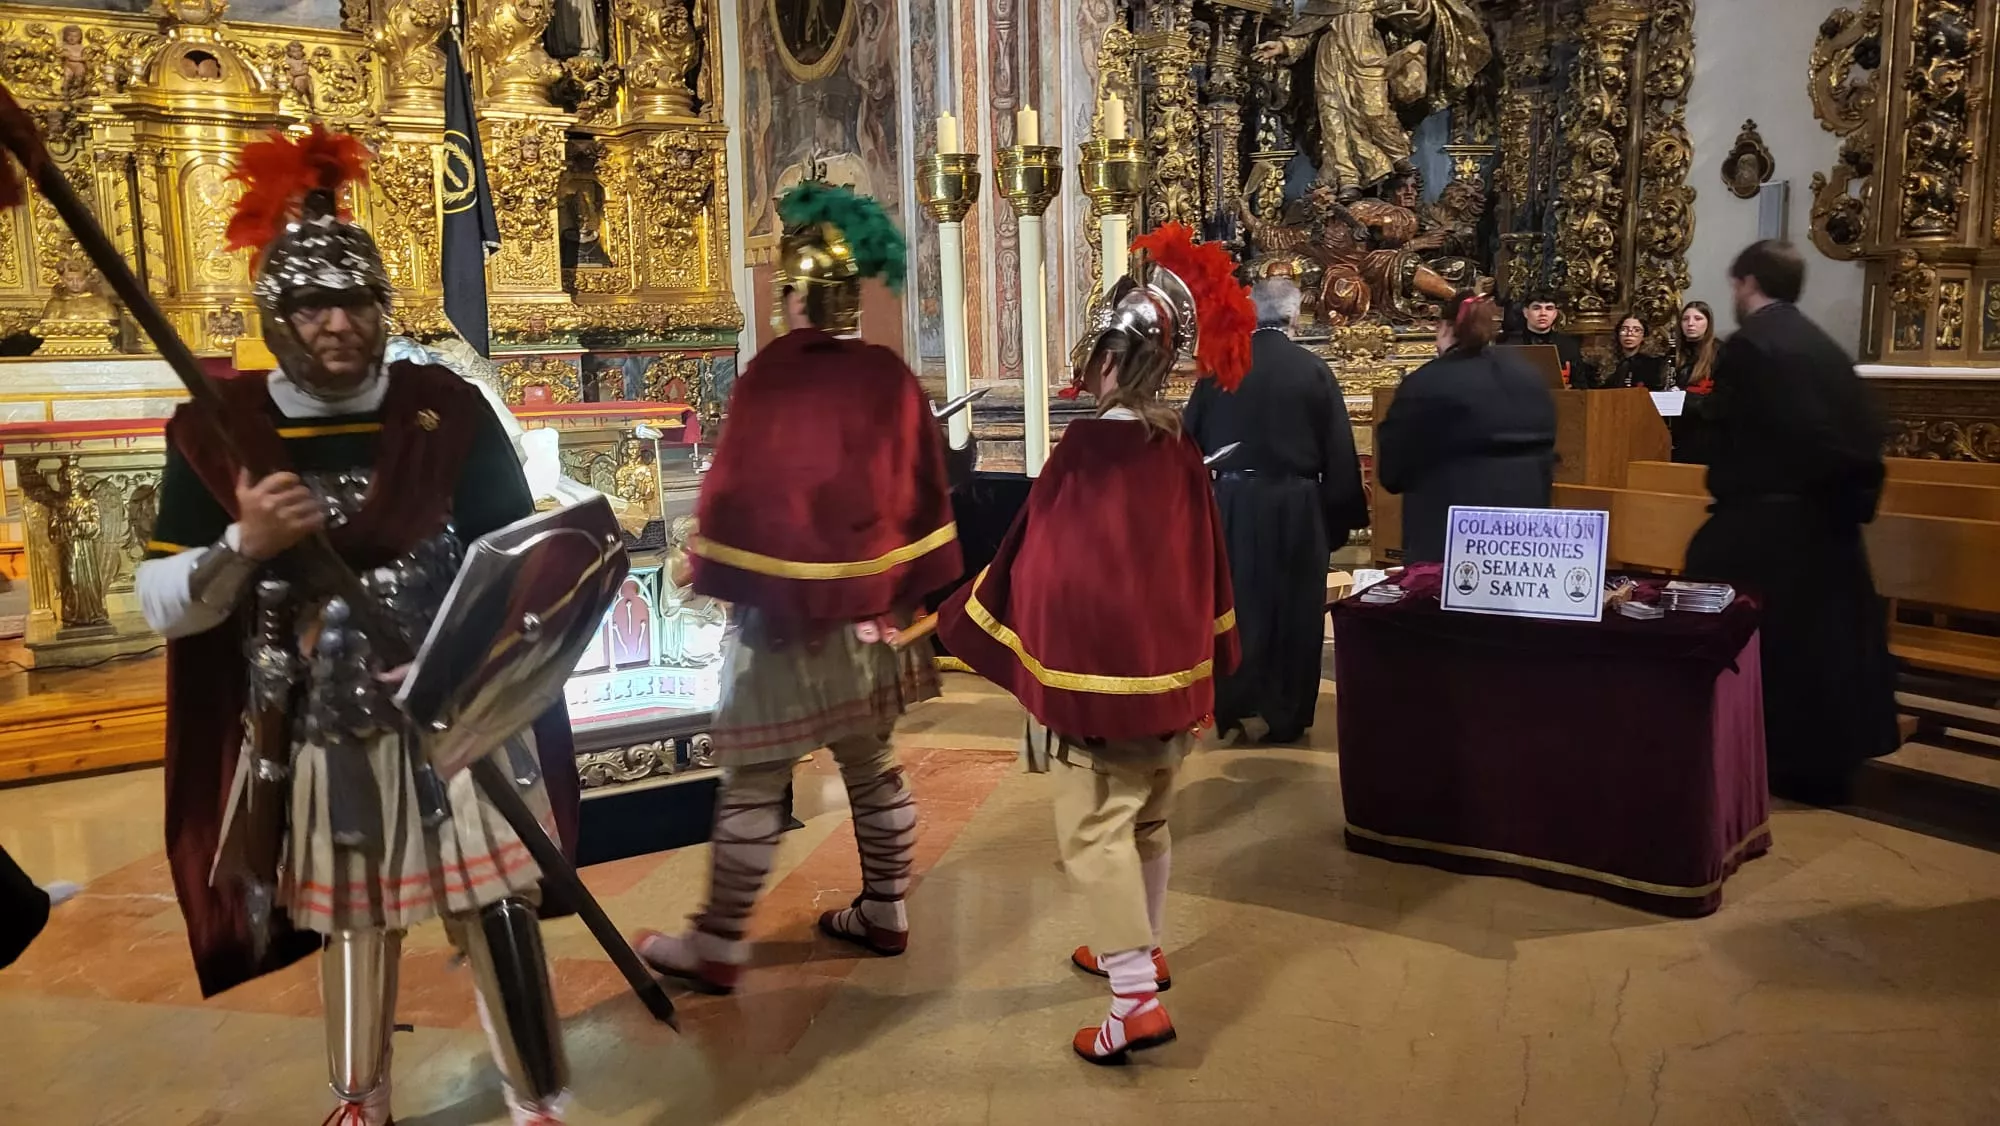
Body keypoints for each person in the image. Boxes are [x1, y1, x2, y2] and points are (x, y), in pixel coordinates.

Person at [134, 127, 581, 1126]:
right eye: (311, 303)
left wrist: (460, 658)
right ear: (275, 311)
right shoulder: (222, 430)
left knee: (497, 904)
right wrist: (242, 543)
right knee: (356, 919)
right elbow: (161, 603)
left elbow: (520, 565)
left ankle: (536, 1099)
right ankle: (358, 1099)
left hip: (447, 706)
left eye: (356, 301)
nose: (336, 323)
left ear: (383, 308)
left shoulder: (442, 409)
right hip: (311, 725)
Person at [631, 181, 960, 993]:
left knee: (751, 776)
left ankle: (717, 943)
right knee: (873, 761)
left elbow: (738, 489)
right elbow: (923, 488)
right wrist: (896, 590)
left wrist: (698, 563)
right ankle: (886, 906)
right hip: (867, 622)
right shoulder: (888, 376)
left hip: (780, 624)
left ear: (792, 296)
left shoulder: (773, 375)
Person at [938, 222, 1244, 1065]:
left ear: (1112, 361)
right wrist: (1207, 675)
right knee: (1147, 820)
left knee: (1094, 831)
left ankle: (1132, 1002)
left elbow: (1038, 564)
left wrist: (990, 628)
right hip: (1170, 678)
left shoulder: (1085, 450)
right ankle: (1137, 944)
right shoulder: (1180, 448)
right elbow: (1207, 564)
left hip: (1095, 688)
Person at [1686, 241, 1897, 805]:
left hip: (1770, 528)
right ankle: (1817, 764)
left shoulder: (1752, 346)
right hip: (1826, 524)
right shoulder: (1825, 348)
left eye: (1734, 285)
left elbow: (1740, 439)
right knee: (1820, 650)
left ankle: (1741, 749)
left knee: (1745, 629)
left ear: (1748, 282)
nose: (1733, 294)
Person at [1186, 277, 1365, 744]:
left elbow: (1189, 444)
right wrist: (1338, 519)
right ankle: (1286, 713)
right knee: (1296, 606)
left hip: (1233, 501)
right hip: (1297, 502)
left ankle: (1232, 704)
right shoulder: (1313, 370)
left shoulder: (1219, 368)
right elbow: (1338, 452)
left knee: (1236, 602)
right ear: (1294, 317)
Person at [1377, 291, 1557, 563]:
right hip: (1524, 539)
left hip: (1446, 540)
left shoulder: (1426, 382)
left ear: (1445, 327)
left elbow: (1392, 472)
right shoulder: (1529, 376)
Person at [1508, 289, 1596, 389]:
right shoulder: (1510, 345)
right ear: (1526, 312)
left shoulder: (1569, 345)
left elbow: (1581, 383)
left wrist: (1571, 388)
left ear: (1555, 313)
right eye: (1536, 308)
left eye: (1549, 308)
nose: (1543, 313)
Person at [1669, 300, 1723, 463]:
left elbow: (1722, 399)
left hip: (1706, 435)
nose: (1690, 324)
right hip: (1677, 433)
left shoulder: (1720, 353)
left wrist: (1684, 399)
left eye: (1697, 319)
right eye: (1685, 319)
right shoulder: (1675, 354)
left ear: (1708, 323)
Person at [1607, 312, 1666, 390]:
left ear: (1644, 336)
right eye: (1624, 329)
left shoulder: (1655, 364)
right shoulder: (1608, 363)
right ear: (1618, 334)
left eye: (1636, 330)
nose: (1629, 334)